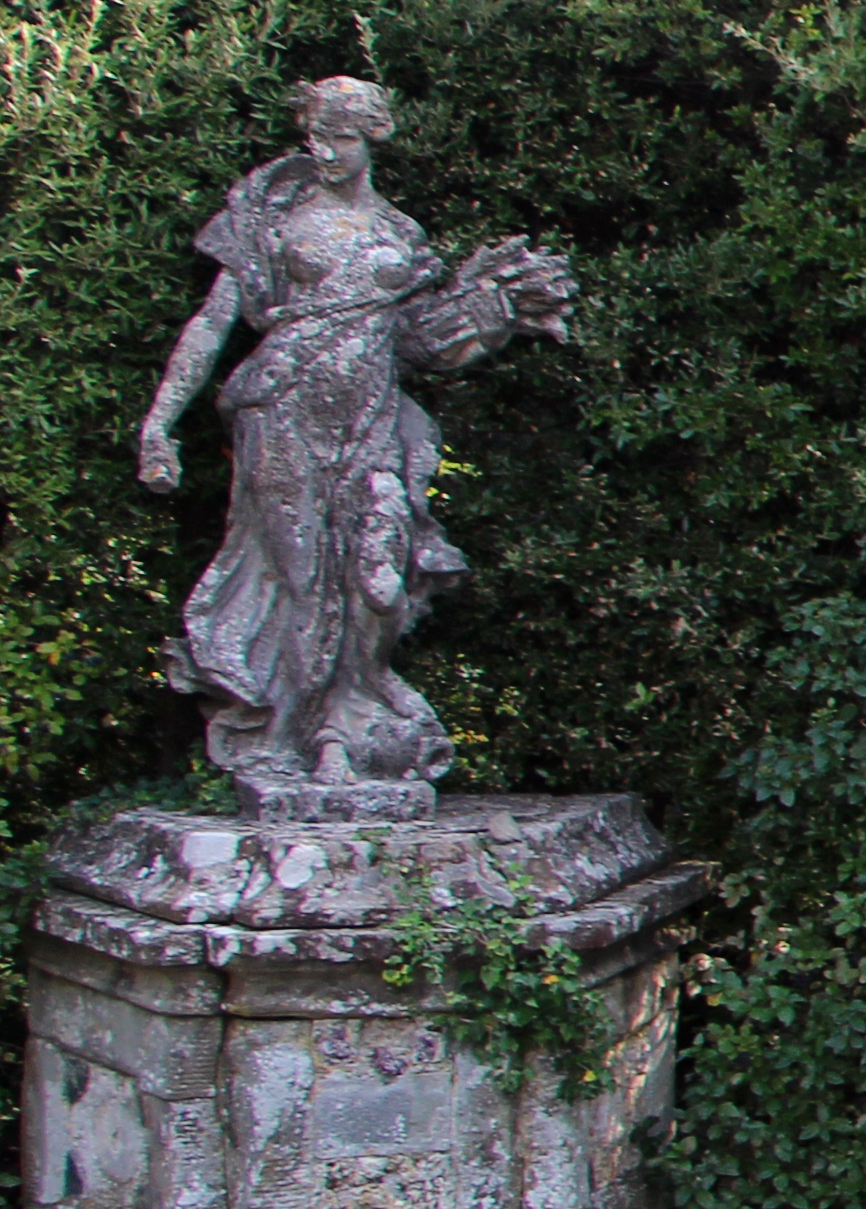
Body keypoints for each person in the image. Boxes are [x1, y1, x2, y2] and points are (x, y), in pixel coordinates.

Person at [134, 76, 576, 816]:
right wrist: (159, 421)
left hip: (368, 422)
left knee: (377, 573)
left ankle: (352, 714)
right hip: (282, 412)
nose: (323, 150)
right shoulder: (273, 218)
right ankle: (321, 741)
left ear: (372, 135)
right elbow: (215, 323)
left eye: (337, 136)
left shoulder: (400, 235)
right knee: (307, 579)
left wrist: (493, 313)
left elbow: (415, 346)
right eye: (313, 135)